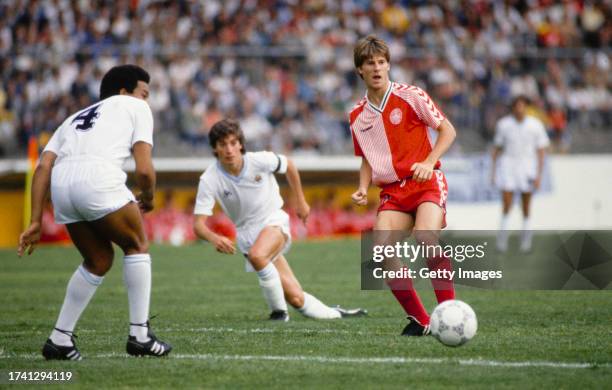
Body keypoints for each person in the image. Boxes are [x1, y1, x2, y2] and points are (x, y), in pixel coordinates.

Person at [17, 65, 171, 360]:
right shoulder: (135, 107)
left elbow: (43, 166)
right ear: (125, 92)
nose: (146, 101)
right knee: (136, 246)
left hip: (62, 185)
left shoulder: (73, 118)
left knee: (98, 259)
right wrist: (149, 197)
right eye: (144, 93)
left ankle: (60, 339)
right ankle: (140, 335)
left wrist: (35, 220)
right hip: (98, 178)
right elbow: (144, 169)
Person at [193, 119, 366, 321]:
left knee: (258, 256)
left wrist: (300, 202)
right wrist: (215, 239)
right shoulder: (209, 179)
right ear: (215, 148)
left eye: (233, 143)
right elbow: (198, 225)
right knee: (296, 298)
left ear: (240, 143)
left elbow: (289, 165)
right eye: (223, 145)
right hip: (246, 234)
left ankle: (278, 313)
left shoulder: (259, 160)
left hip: (273, 221)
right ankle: (336, 314)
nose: (229, 149)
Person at [349, 36, 457, 336]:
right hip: (394, 193)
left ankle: (449, 313)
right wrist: (362, 187)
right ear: (360, 70)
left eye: (382, 62)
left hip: (426, 183)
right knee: (380, 251)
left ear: (388, 65)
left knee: (425, 237)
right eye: (370, 63)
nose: (377, 67)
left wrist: (428, 161)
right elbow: (367, 159)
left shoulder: (412, 95)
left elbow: (448, 130)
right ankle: (421, 320)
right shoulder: (356, 115)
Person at [491, 95, 549, 252]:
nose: (519, 109)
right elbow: (497, 149)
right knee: (506, 204)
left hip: (527, 168)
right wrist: (493, 172)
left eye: (522, 105)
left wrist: (539, 174)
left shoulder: (535, 125)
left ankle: (526, 242)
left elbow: (541, 151)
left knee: (526, 206)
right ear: (513, 107)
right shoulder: (504, 125)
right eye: (517, 105)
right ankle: (502, 242)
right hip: (508, 167)